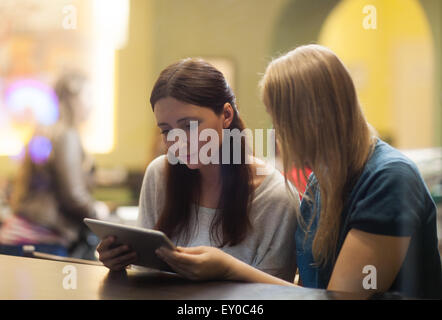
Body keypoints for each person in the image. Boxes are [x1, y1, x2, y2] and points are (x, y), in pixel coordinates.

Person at [155, 45, 442, 299]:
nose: (276, 134)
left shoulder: (389, 180)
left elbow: (341, 298)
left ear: (311, 118)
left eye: (280, 120)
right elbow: (310, 289)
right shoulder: (321, 184)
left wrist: (229, 267)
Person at [96, 58, 299, 282]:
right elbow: (145, 274)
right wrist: (120, 260)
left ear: (227, 115)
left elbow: (279, 294)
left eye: (190, 126)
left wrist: (226, 269)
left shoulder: (276, 198)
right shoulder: (159, 175)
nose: (178, 142)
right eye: (166, 130)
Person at [0, 71, 100, 257]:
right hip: (42, 240)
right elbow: (74, 196)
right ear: (73, 97)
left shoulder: (45, 130)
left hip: (17, 237)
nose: (92, 105)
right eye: (88, 96)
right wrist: (101, 216)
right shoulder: (66, 135)